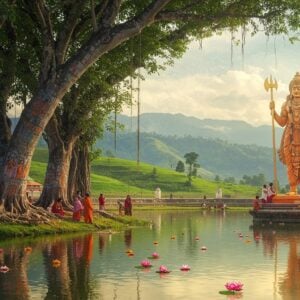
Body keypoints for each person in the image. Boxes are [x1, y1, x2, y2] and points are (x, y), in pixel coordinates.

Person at [270, 72, 300, 194]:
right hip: (290, 137)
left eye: (299, 88)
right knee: (290, 163)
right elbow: (282, 122)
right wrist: (274, 112)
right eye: (294, 88)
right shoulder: (286, 105)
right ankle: (293, 188)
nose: (297, 90)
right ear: (290, 90)